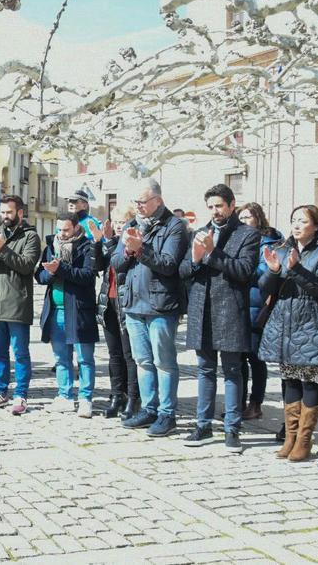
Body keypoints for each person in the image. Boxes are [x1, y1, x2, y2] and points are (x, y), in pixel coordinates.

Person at [178, 184, 260, 453]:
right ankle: (202, 425)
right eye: (211, 207)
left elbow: (244, 271)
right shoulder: (200, 232)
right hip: (202, 309)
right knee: (204, 369)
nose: (215, 211)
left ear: (231, 205)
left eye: (219, 206)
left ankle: (232, 428)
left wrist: (213, 254)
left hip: (230, 309)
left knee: (233, 370)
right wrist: (195, 258)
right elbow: (184, 271)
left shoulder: (247, 234)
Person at [259, 205, 318, 463]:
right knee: (289, 380)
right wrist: (273, 271)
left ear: (316, 226)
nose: (296, 225)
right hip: (285, 320)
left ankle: (304, 440)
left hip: (312, 321)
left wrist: (296, 269)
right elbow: (265, 289)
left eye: (303, 221)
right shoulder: (283, 249)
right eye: (293, 220)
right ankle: (289, 437)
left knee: (309, 379)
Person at [112, 178, 190, 437]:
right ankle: (149, 408)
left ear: (158, 200)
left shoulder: (175, 226)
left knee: (163, 362)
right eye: (135, 202)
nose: (138, 207)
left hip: (161, 305)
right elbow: (115, 262)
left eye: (142, 202)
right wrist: (126, 251)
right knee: (143, 361)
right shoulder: (133, 225)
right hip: (134, 304)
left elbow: (168, 264)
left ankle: (167, 414)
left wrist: (140, 249)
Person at [0, 195, 41, 416]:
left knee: (20, 353)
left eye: (9, 212)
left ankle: (21, 394)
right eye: (2, 212)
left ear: (20, 213)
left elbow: (26, 265)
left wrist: (2, 250)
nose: (5, 217)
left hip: (17, 304)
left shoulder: (31, 236)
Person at [36, 212, 98, 417]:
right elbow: (40, 276)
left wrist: (61, 268)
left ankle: (86, 399)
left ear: (76, 228)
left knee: (84, 359)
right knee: (61, 358)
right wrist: (50, 272)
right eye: (59, 230)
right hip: (55, 310)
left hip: (79, 311)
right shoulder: (51, 246)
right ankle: (65, 396)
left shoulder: (86, 246)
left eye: (66, 230)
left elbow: (88, 276)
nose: (62, 234)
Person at [238, 202, 282, 422]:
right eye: (242, 217)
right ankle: (239, 402)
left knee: (255, 357)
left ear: (258, 218)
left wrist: (241, 264)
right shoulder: (238, 237)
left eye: (248, 217)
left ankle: (256, 403)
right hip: (238, 304)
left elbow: (266, 274)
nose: (245, 221)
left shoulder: (269, 242)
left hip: (257, 304)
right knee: (239, 357)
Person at [95, 204, 138, 419]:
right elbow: (100, 264)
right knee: (114, 354)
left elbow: (120, 263)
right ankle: (116, 394)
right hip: (108, 301)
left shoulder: (130, 242)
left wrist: (112, 242)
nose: (120, 226)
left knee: (129, 355)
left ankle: (132, 397)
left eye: (124, 221)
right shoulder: (112, 242)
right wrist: (99, 241)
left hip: (125, 302)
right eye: (117, 222)